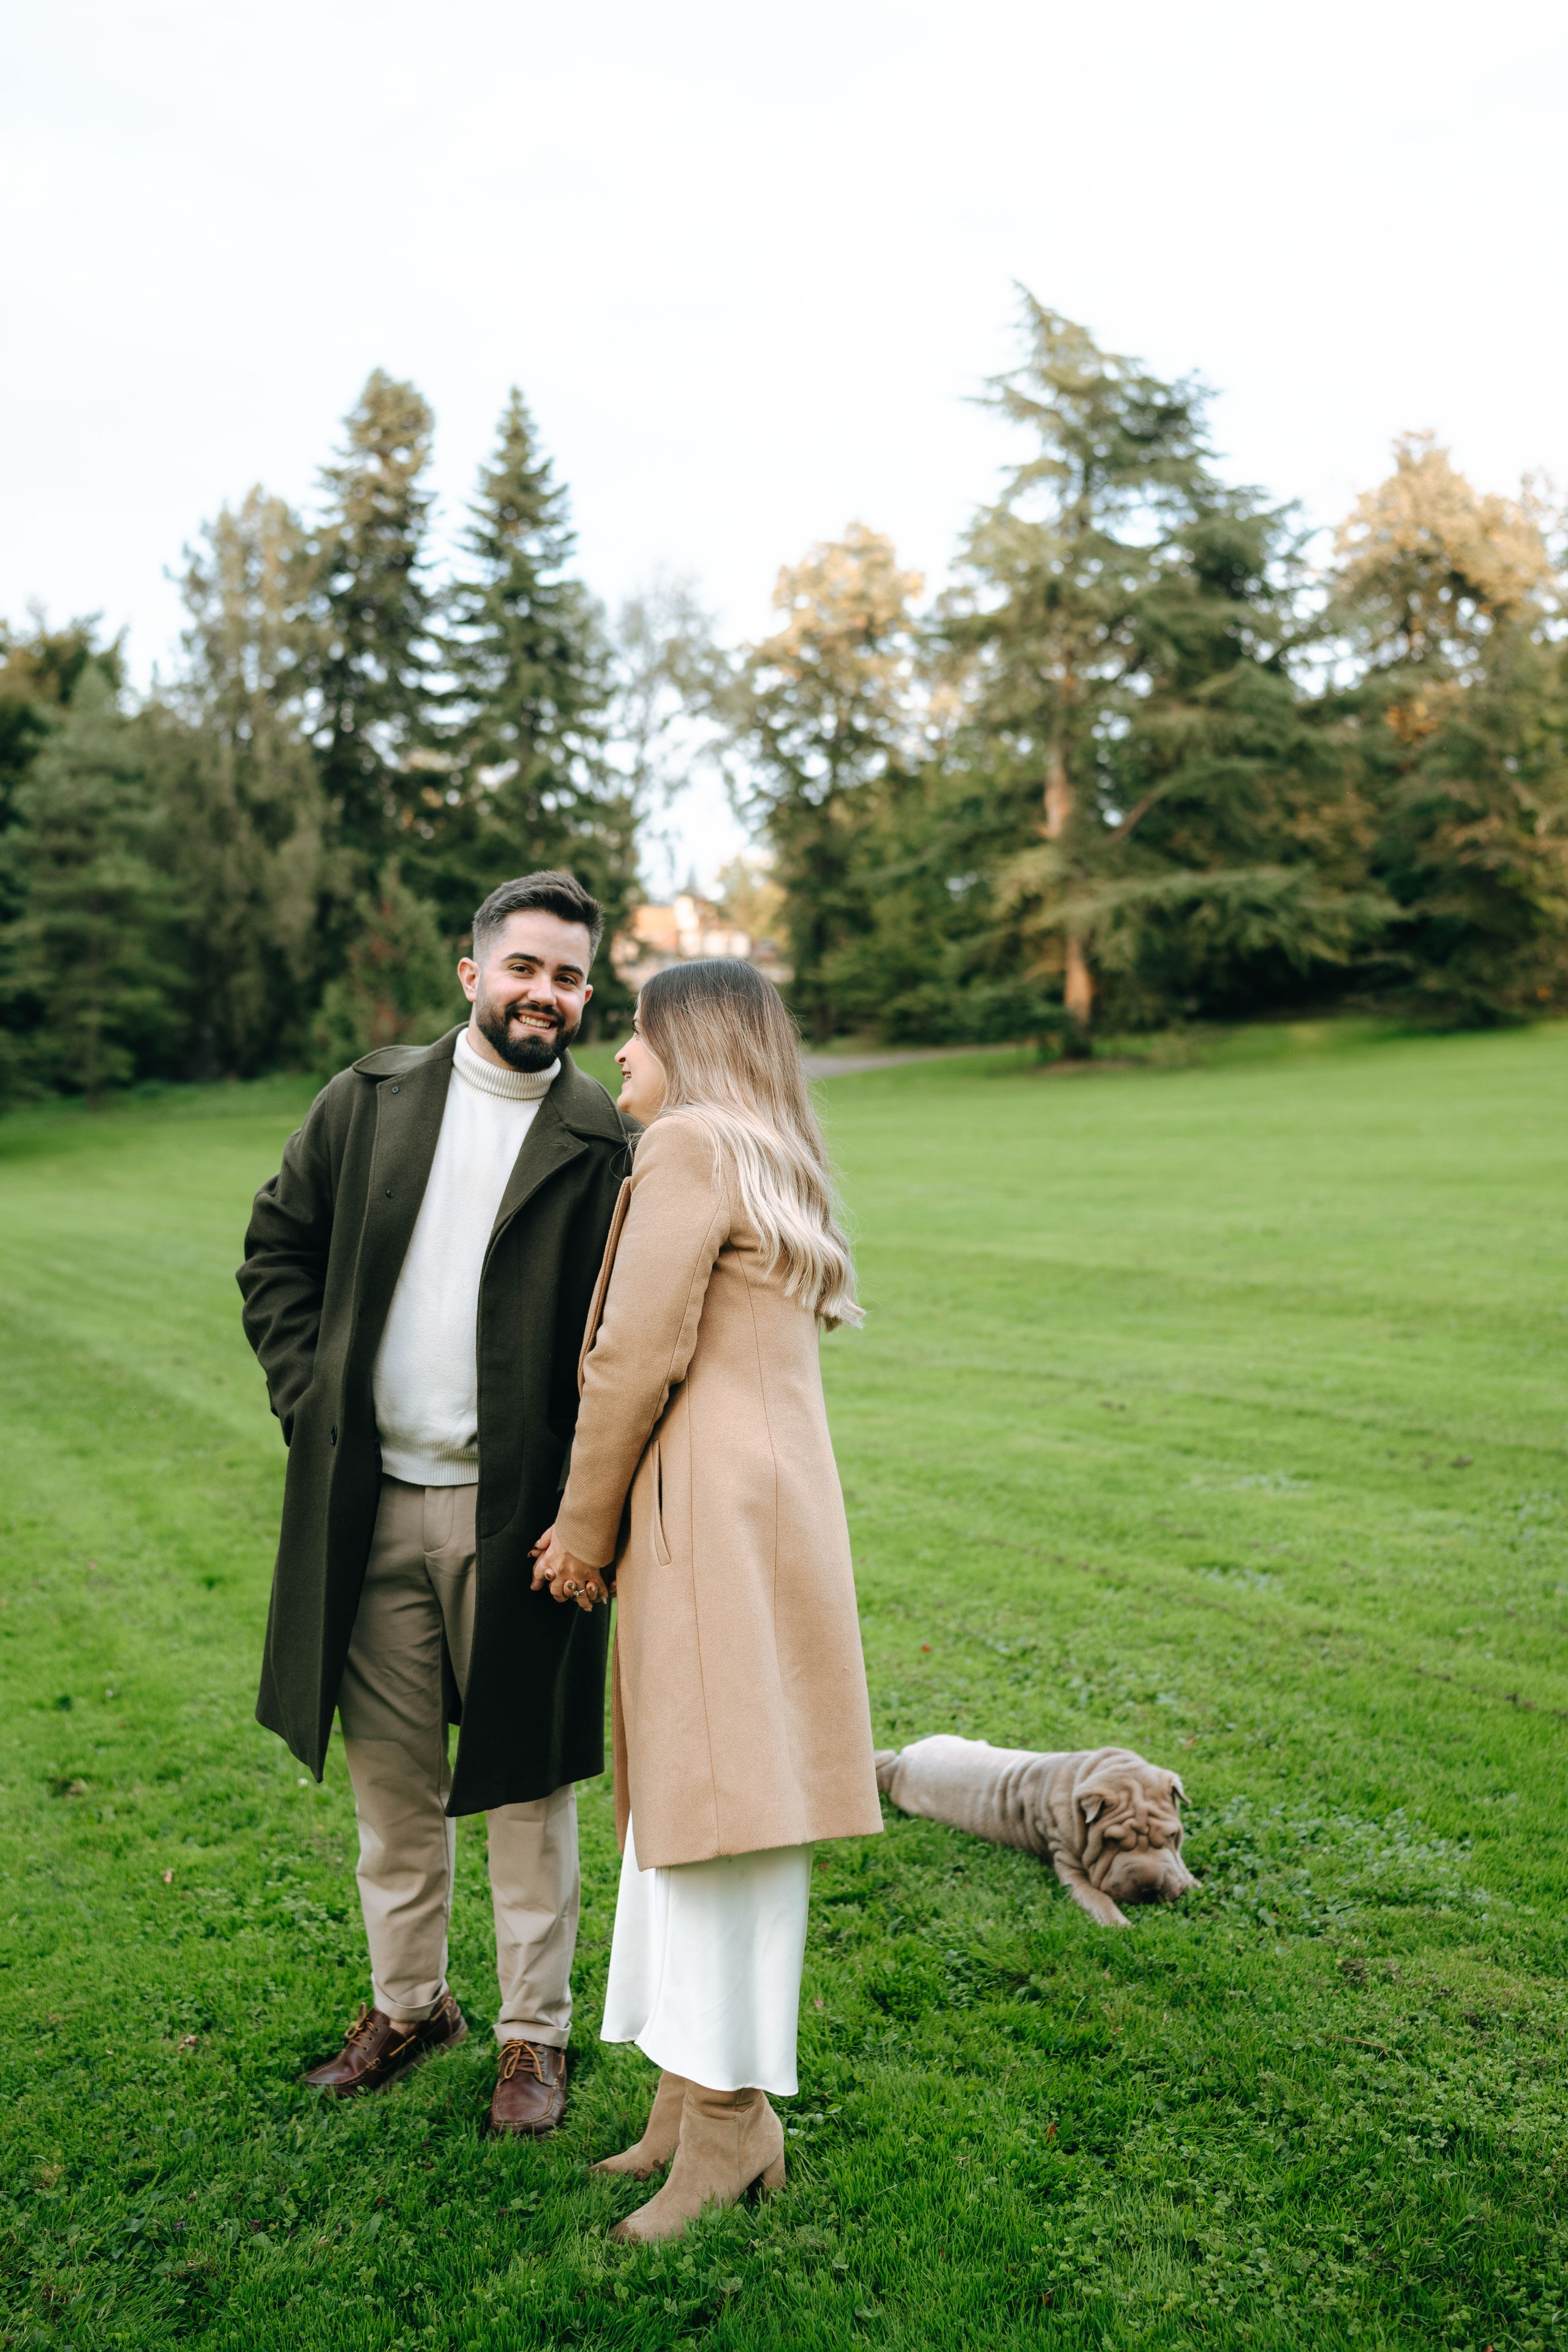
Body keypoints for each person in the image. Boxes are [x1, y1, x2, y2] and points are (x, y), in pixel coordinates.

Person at [236, 869, 634, 2136]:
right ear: (471, 973)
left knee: (526, 1787)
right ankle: (409, 2006)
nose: (545, 993)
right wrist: (314, 1404)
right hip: (371, 1509)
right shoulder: (369, 1102)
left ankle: (534, 2038)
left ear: (586, 992)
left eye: (568, 975)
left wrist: (592, 1509)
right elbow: (275, 1253)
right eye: (524, 967)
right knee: (392, 1790)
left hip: (524, 1525)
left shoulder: (601, 1142)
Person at [530, 957, 883, 2242]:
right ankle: (691, 2096)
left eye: (633, 1029)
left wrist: (578, 1532)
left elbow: (632, 1356)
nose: (617, 1050)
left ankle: (731, 2125)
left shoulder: (684, 1144)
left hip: (703, 1524)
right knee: (711, 1801)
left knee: (720, 1810)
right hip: (773, 1520)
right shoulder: (770, 1150)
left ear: (692, 1041)